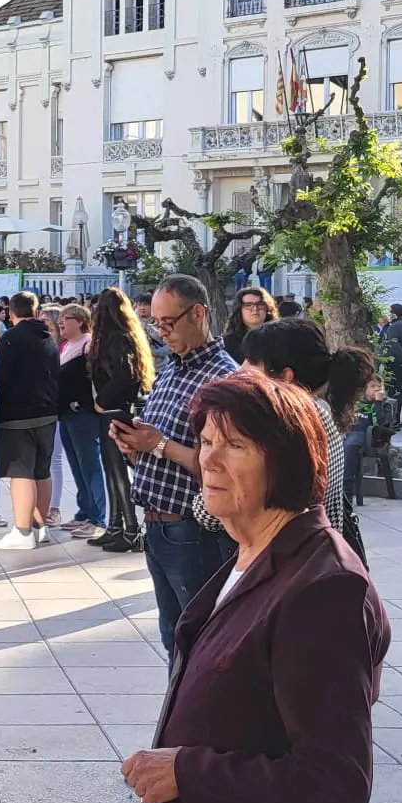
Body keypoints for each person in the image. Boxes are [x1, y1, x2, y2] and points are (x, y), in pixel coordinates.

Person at [118, 373, 389, 803]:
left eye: (235, 444)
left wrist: (186, 772)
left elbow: (337, 781)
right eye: (205, 441)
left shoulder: (323, 589)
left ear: (285, 460)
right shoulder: (254, 551)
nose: (208, 460)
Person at [109, 275, 240, 651]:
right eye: (155, 323)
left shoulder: (223, 379)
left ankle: (194, 710)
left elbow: (225, 467)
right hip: (156, 525)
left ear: (197, 314)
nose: (160, 332)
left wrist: (160, 444)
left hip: (192, 528)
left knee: (197, 641)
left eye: (168, 323)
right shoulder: (170, 371)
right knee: (174, 638)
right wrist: (134, 447)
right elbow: (158, 449)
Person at [239, 317, 376, 542]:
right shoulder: (316, 410)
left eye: (252, 362)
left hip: (292, 560)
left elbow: (221, 510)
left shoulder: (293, 423)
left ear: (285, 376)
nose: (242, 369)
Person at [86, 288, 155, 553]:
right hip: (118, 410)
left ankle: (129, 529)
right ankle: (116, 526)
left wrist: (102, 401)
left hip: (115, 410)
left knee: (117, 473)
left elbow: (124, 376)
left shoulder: (117, 339)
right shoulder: (127, 336)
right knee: (112, 471)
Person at [0, 292, 61, 550]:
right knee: (42, 470)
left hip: (17, 415)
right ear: (35, 311)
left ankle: (22, 530)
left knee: (21, 471)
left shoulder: (10, 339)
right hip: (47, 411)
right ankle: (39, 527)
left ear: (11, 313)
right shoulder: (48, 337)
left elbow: (2, 377)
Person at [52, 303, 107, 540]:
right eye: (60, 318)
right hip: (66, 414)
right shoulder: (66, 345)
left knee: (90, 465)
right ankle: (84, 510)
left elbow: (94, 380)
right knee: (76, 465)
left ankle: (98, 517)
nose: (61, 322)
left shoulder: (88, 345)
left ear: (81, 321)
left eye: (67, 318)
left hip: (83, 416)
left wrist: (82, 402)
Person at [221, 285, 278, 364]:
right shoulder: (227, 342)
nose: (255, 309)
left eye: (260, 304)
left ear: (268, 308)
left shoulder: (280, 336)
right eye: (248, 305)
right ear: (239, 310)